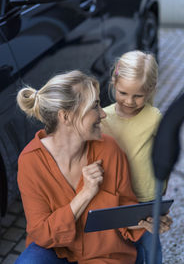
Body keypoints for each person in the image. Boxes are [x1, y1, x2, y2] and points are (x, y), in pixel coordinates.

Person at [14, 70, 172, 264]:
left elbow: (124, 209)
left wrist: (146, 223)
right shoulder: (31, 161)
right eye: (94, 106)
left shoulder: (109, 149)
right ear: (66, 117)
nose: (103, 114)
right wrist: (85, 194)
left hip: (105, 256)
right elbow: (41, 234)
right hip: (57, 253)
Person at [101, 51, 168, 264]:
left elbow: (163, 154)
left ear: (150, 91)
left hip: (146, 197)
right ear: (113, 83)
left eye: (138, 96)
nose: (129, 101)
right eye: (123, 93)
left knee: (150, 246)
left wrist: (162, 188)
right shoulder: (102, 118)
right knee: (120, 248)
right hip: (116, 197)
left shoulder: (154, 118)